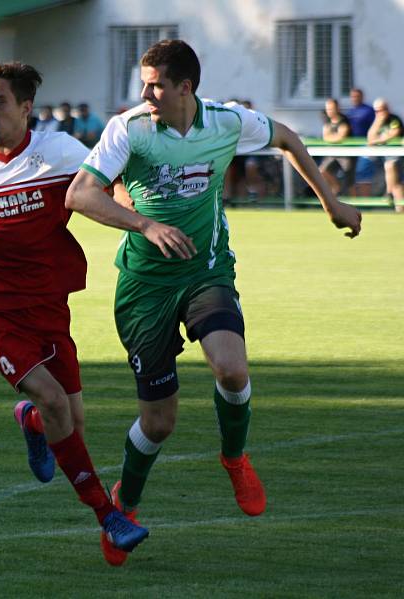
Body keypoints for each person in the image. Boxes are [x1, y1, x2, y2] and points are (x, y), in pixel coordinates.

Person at [65, 39, 361, 566]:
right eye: (143, 83)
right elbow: (80, 194)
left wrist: (331, 202)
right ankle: (124, 507)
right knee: (158, 423)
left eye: (156, 84)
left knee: (230, 369)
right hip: (144, 286)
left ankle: (234, 458)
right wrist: (145, 224)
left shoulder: (225, 122)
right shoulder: (128, 128)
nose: (145, 93)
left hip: (207, 271)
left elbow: (287, 137)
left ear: (186, 87)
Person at [0, 61, 149, 560]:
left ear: (25, 107)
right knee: (57, 402)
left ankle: (32, 421)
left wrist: (142, 222)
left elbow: (106, 187)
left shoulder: (60, 152)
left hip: (47, 307)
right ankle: (108, 515)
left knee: (71, 423)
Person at [367, 98, 403, 211]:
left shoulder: (394, 119)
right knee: (396, 182)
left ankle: (388, 193)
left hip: (397, 155)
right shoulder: (377, 122)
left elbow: (394, 134)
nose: (380, 113)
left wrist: (378, 140)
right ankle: (399, 208)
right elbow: (370, 138)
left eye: (382, 110)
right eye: (377, 111)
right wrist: (377, 122)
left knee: (390, 167)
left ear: (387, 109)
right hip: (384, 156)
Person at [319, 98, 355, 196]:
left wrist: (332, 137)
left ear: (337, 108)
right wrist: (333, 137)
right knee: (322, 171)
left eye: (331, 109)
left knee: (349, 181)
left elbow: (341, 136)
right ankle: (336, 189)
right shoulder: (327, 121)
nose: (329, 111)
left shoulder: (344, 120)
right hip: (332, 153)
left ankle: (356, 204)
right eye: (328, 109)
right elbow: (325, 137)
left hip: (346, 155)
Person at [346, 88, 377, 193]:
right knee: (351, 173)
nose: (354, 98)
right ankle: (355, 202)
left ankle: (365, 202)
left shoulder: (369, 111)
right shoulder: (350, 112)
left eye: (357, 96)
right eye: (352, 96)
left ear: (362, 97)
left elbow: (375, 127)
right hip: (352, 147)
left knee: (363, 172)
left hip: (365, 145)